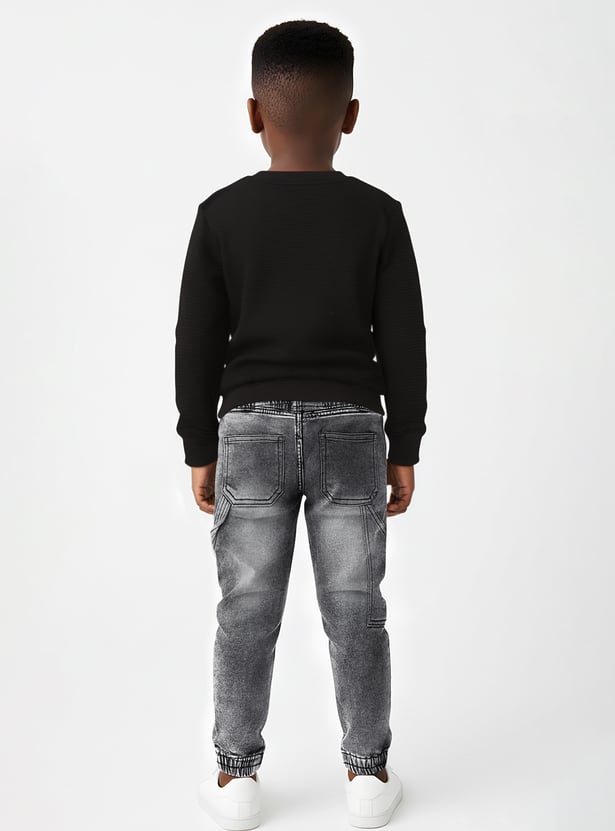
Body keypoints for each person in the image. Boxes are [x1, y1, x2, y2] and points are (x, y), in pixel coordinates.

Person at [174, 19, 427, 830]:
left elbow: (195, 339)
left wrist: (199, 444)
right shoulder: (378, 215)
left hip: (246, 431)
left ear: (254, 114)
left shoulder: (221, 215)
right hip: (352, 430)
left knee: (246, 609)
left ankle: (234, 778)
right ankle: (367, 774)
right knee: (355, 609)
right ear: (348, 115)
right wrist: (404, 443)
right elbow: (404, 337)